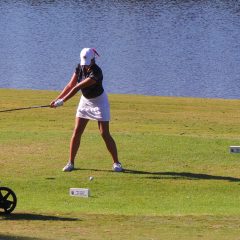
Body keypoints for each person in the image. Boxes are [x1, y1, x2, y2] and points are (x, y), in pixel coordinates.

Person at [50, 48, 123, 172]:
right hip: (85, 101)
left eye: (88, 63)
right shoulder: (79, 67)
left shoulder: (97, 72)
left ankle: (117, 163)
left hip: (100, 102)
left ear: (93, 60)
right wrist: (57, 99)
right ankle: (71, 163)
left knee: (104, 133)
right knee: (77, 131)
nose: (86, 66)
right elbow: (70, 85)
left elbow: (78, 87)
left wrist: (62, 102)